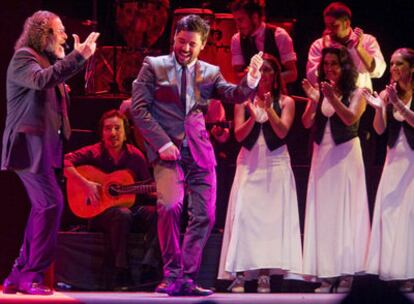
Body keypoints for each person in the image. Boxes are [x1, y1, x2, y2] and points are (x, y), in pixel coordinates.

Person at [131, 14, 263, 296]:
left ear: (202, 44)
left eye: (192, 44)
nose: (185, 48)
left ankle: (187, 277)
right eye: (181, 42)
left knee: (205, 215)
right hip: (168, 153)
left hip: (200, 152)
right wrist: (162, 143)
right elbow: (138, 110)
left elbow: (235, 95)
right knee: (169, 207)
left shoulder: (210, 72)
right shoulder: (153, 67)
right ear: (174, 39)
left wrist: (251, 78)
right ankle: (172, 275)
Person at [1, 11, 99, 295]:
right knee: (51, 204)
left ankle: (17, 274)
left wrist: (79, 61)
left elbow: (51, 81)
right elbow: (42, 81)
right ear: (44, 34)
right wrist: (78, 57)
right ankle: (31, 275)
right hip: (27, 149)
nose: (66, 37)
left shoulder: (46, 62)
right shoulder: (24, 57)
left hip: (43, 150)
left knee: (42, 208)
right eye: (61, 31)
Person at [217, 53, 302, 293]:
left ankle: (264, 273)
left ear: (275, 75)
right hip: (249, 161)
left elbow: (283, 131)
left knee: (269, 219)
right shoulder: (243, 101)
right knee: (245, 216)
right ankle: (243, 274)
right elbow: (239, 135)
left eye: (267, 70)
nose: (262, 74)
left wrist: (268, 111)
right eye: (259, 70)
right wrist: (255, 118)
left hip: (275, 163)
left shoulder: (287, 101)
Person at [64, 109, 159, 291]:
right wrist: (86, 184)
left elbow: (146, 188)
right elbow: (65, 162)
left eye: (117, 128)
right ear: (102, 132)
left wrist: (156, 192)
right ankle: (120, 271)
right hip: (100, 213)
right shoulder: (93, 152)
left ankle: (149, 267)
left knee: (157, 213)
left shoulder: (135, 156)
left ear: (125, 132)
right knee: (121, 215)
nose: (113, 133)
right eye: (108, 128)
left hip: (131, 209)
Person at [301, 46, 370, 293]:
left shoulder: (357, 92)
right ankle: (327, 272)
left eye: (334, 64)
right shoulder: (322, 90)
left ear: (345, 67)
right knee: (325, 212)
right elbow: (307, 122)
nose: (329, 68)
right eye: (326, 64)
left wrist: (330, 98)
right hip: (323, 155)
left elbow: (351, 118)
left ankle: (347, 273)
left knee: (346, 211)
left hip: (346, 155)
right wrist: (313, 100)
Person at [364, 48, 414, 292]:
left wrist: (397, 104)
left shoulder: (402, 95)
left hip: (412, 161)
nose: (394, 68)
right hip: (393, 160)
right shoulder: (387, 93)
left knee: (410, 215)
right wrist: (378, 108)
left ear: (411, 68)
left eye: (400, 64)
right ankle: (394, 271)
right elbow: (380, 130)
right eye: (392, 63)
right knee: (391, 214)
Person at [306, 2, 386, 91]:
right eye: (327, 26)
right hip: (330, 98)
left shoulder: (367, 40)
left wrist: (359, 49)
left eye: (334, 26)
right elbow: (312, 77)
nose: (329, 30)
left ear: (347, 23)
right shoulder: (319, 45)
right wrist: (327, 51)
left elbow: (379, 71)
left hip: (360, 99)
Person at [229, 0, 297, 85]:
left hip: (277, 95)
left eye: (240, 20)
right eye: (235, 21)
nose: (237, 25)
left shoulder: (279, 36)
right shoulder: (236, 40)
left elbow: (292, 74)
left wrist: (267, 79)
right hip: (251, 96)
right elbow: (238, 76)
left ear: (255, 17)